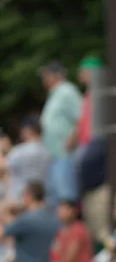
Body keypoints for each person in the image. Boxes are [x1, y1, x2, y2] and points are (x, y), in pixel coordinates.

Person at [39, 61, 82, 205]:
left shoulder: (67, 91)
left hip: (65, 153)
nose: (44, 79)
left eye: (47, 75)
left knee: (66, 196)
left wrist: (71, 138)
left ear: (57, 75)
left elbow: (80, 117)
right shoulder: (54, 93)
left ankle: (72, 227)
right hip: (54, 154)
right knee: (55, 196)